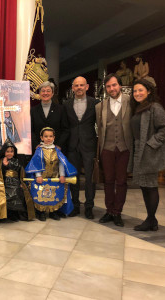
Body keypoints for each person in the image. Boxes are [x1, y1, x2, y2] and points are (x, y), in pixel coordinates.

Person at [129, 79, 165, 231]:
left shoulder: (155, 107)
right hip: (138, 151)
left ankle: (150, 219)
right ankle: (151, 219)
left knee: (151, 186)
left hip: (149, 152)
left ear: (148, 91)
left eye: (140, 90)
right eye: (135, 91)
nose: (137, 93)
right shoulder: (138, 108)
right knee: (144, 186)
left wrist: (150, 144)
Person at [96, 74, 132, 227]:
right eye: (109, 86)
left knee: (122, 181)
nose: (112, 88)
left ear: (120, 86)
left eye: (114, 85)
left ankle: (118, 212)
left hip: (124, 148)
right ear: (106, 88)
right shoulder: (100, 106)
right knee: (108, 180)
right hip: (107, 148)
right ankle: (109, 210)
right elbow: (100, 127)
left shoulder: (130, 102)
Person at [63, 76, 98, 219]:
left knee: (90, 178)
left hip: (89, 145)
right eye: (76, 85)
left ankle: (89, 207)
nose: (79, 88)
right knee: (73, 177)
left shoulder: (95, 103)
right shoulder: (66, 104)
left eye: (81, 85)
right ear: (72, 88)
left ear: (87, 87)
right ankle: (75, 206)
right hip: (72, 145)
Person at [25, 127, 76, 221]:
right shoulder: (39, 150)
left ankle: (53, 212)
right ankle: (41, 212)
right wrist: (38, 176)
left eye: (50, 136)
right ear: (41, 138)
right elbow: (36, 164)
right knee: (41, 195)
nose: (48, 138)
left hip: (54, 177)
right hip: (42, 178)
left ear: (54, 138)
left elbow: (61, 163)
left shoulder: (57, 150)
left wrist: (62, 175)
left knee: (54, 194)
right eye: (46, 136)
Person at [0, 138, 35, 223]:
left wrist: (21, 182)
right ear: (4, 152)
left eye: (11, 151)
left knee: (16, 195)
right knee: (3, 195)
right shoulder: (0, 161)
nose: (9, 153)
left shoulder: (17, 161)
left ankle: (13, 215)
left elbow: (21, 172)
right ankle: (3, 215)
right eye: (7, 151)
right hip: (4, 182)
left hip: (15, 182)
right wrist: (3, 165)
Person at [30, 81, 68, 154]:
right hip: (39, 150)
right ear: (40, 93)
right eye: (43, 91)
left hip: (56, 150)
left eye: (48, 91)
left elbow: (66, 130)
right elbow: (30, 130)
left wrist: (59, 145)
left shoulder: (61, 109)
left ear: (52, 93)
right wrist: (36, 145)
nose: (45, 93)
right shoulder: (33, 110)